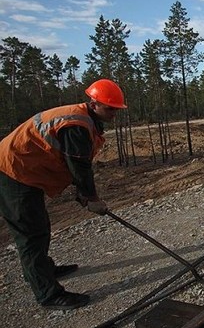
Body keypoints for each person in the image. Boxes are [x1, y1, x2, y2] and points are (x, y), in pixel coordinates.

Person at [0, 78, 127, 310]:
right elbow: (79, 166)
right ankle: (48, 294)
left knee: (39, 226)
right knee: (31, 234)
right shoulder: (77, 124)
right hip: (12, 171)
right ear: (94, 103)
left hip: (27, 170)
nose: (114, 113)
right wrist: (91, 199)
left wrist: (84, 195)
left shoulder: (85, 120)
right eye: (110, 108)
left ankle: (43, 269)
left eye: (117, 109)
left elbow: (70, 162)